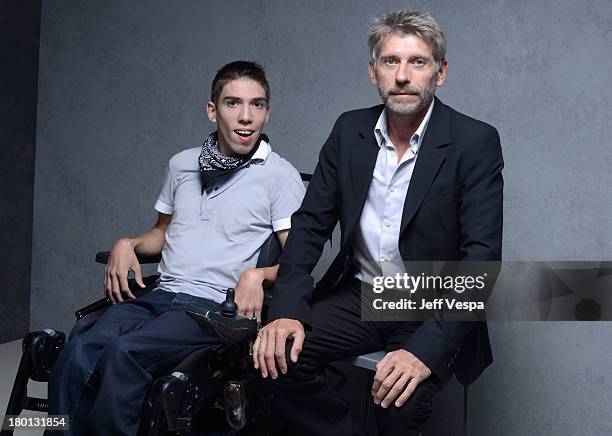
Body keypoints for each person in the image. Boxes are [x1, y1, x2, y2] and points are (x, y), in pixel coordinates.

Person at [254, 10, 503, 435]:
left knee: (400, 406)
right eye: (391, 61)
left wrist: (425, 350)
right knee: (273, 357)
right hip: (363, 294)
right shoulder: (349, 130)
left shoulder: (474, 141)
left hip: (430, 304)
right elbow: (311, 224)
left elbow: (481, 258)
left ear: (440, 72)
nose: (403, 75)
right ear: (374, 72)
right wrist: (286, 310)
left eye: (417, 62)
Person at [46, 60, 305, 436]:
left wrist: (257, 274)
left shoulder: (279, 176)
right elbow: (163, 232)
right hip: (161, 294)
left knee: (125, 355)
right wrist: (128, 243)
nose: (246, 117)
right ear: (212, 110)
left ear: (267, 111)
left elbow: (298, 261)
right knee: (78, 350)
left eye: (258, 104)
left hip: (213, 308)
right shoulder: (182, 164)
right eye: (233, 103)